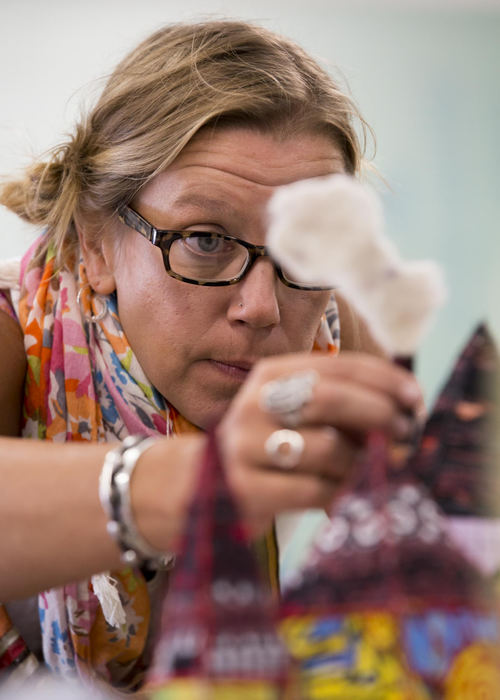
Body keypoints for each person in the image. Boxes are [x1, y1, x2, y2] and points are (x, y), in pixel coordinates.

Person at [0, 19, 421, 692]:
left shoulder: (340, 336)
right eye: (204, 238)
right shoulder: (13, 332)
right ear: (97, 245)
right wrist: (194, 482)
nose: (261, 306)